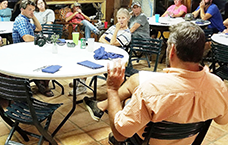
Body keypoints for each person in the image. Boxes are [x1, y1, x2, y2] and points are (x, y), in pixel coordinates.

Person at [83, 21, 228, 144]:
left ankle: (102, 107)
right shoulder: (218, 86)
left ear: (172, 51)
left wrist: (113, 89)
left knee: (128, 102)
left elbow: (120, 135)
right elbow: (222, 121)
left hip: (145, 141)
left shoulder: (150, 90)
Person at [12, 0, 54, 97]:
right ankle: (43, 84)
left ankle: (40, 81)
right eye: (30, 10)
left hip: (28, 50)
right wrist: (40, 38)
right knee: (47, 59)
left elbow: (39, 28)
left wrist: (33, 16)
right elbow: (26, 38)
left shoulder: (26, 19)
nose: (32, 12)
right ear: (22, 9)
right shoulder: (21, 21)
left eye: (33, 10)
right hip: (22, 53)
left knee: (47, 55)